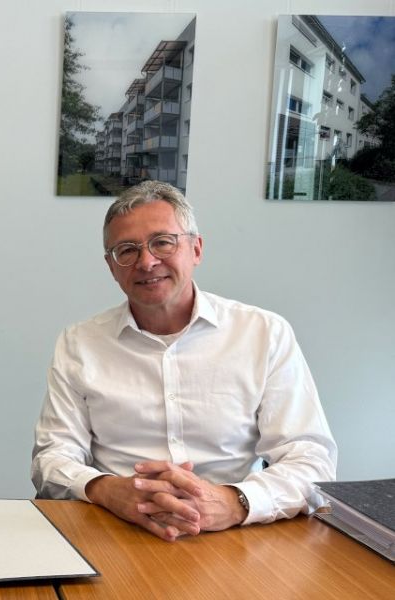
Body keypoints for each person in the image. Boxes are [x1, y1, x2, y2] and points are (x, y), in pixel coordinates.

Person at [31, 181, 336, 541]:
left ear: (196, 249)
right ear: (111, 267)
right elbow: (52, 457)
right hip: (115, 528)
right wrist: (106, 490)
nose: (147, 262)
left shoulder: (264, 333)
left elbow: (311, 460)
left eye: (163, 242)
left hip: (237, 535)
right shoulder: (79, 343)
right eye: (126, 251)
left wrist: (235, 502)